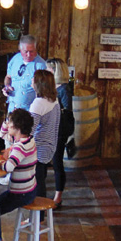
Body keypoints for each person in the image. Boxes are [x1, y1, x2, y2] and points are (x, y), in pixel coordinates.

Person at [0, 109, 38, 241]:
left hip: (21, 194)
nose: (7, 125)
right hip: (31, 189)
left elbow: (8, 168)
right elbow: (1, 135)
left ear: (18, 127)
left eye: (10, 123)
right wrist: (7, 124)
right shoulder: (29, 140)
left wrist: (1, 160)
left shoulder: (20, 147)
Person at [29, 69, 61, 200]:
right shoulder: (53, 100)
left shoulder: (39, 103)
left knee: (37, 184)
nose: (31, 80)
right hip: (49, 146)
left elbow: (30, 130)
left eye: (33, 78)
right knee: (41, 180)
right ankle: (39, 217)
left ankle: (39, 217)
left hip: (39, 148)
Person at [49, 59, 74, 209]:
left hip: (60, 130)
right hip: (50, 128)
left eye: (49, 69)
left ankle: (58, 196)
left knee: (57, 162)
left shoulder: (64, 89)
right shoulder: (51, 87)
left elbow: (67, 112)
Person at [4, 34, 48, 112]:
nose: (28, 55)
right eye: (25, 51)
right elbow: (8, 77)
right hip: (12, 107)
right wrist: (7, 86)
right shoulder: (15, 59)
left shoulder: (41, 65)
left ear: (36, 49)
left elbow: (44, 91)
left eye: (32, 51)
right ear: (20, 49)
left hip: (29, 110)